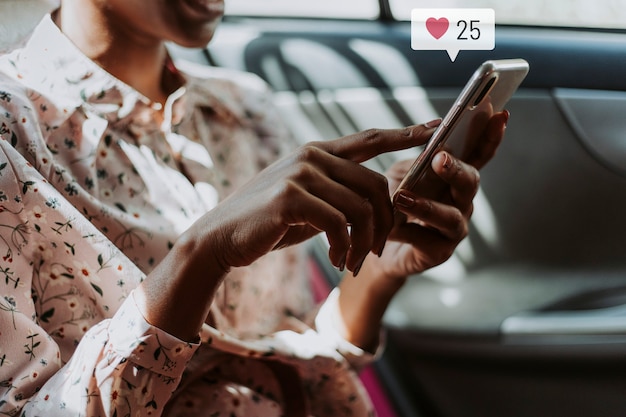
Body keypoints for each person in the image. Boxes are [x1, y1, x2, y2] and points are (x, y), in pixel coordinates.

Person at [0, 0, 509, 416]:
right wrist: (202, 255)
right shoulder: (13, 138)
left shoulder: (248, 111)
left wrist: (377, 273)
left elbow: (297, 352)